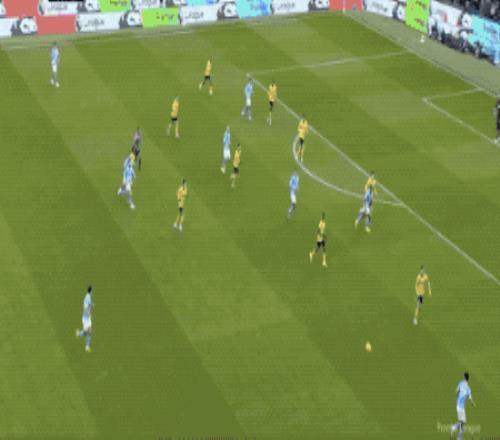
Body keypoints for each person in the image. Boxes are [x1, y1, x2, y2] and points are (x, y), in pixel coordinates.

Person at [451, 372, 476, 439]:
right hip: (460, 407)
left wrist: (458, 395)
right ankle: (454, 429)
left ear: (464, 377)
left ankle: (455, 430)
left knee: (462, 423)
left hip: (459, 406)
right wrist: (473, 403)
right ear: (468, 379)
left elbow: (456, 391)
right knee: (462, 423)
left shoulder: (460, 383)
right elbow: (470, 398)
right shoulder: (468, 388)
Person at [76, 286, 93, 353]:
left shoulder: (88, 296)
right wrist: (88, 313)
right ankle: (87, 347)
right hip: (86, 319)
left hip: (87, 318)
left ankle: (79, 334)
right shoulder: (87, 297)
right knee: (88, 332)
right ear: (91, 291)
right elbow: (86, 307)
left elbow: (88, 305)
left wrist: (91, 305)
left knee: (87, 332)